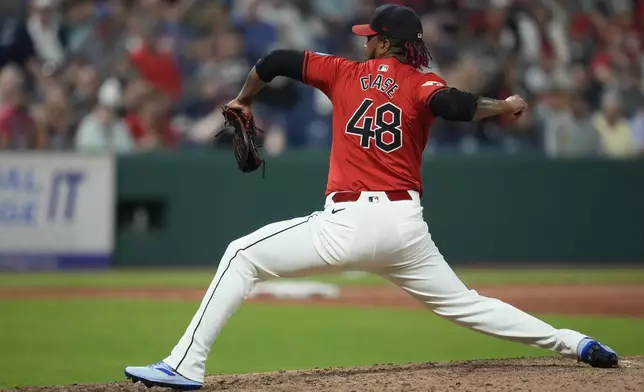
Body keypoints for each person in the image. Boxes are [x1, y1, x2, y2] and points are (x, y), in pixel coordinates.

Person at [124, 5, 618, 390]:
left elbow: (271, 61)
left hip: (348, 223)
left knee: (240, 254)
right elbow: (456, 105)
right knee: (466, 305)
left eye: (370, 37)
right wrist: (504, 106)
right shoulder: (423, 82)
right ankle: (575, 342)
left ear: (384, 42)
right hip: (406, 227)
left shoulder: (341, 72)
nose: (364, 42)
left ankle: (185, 365)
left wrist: (244, 97)